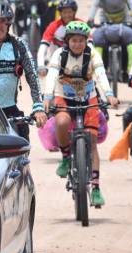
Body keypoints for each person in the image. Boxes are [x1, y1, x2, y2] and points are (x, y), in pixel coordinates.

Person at [43, 21, 119, 207]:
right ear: (67, 41)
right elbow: (51, 75)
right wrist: (47, 96)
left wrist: (109, 94)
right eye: (74, 40)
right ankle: (66, 157)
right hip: (63, 97)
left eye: (81, 40)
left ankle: (96, 188)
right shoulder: (59, 55)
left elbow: (100, 74)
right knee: (62, 122)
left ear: (86, 41)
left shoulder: (92, 54)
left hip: (88, 98)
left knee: (92, 141)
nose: (77, 44)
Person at [0, 1, 47, 139]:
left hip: (10, 109)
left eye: (3, 21)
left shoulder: (19, 45)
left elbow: (32, 75)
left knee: (22, 145)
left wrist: (38, 106)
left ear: (9, 24)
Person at [37, 0, 85, 75]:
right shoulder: (53, 26)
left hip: (77, 62)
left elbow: (90, 44)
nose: (67, 15)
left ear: (74, 12)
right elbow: (43, 46)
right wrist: (41, 65)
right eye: (64, 12)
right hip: (56, 62)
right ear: (60, 13)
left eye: (69, 12)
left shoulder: (81, 24)